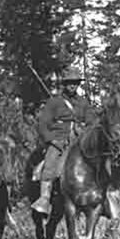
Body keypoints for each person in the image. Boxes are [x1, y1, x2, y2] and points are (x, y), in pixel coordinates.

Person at [32, 67, 97, 215]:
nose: (72, 86)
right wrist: (52, 140)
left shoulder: (83, 102)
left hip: (80, 140)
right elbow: (42, 125)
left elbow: (92, 121)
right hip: (59, 141)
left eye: (75, 83)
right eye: (69, 83)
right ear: (64, 84)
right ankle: (44, 198)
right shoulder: (54, 102)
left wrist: (86, 129)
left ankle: (103, 195)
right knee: (50, 162)